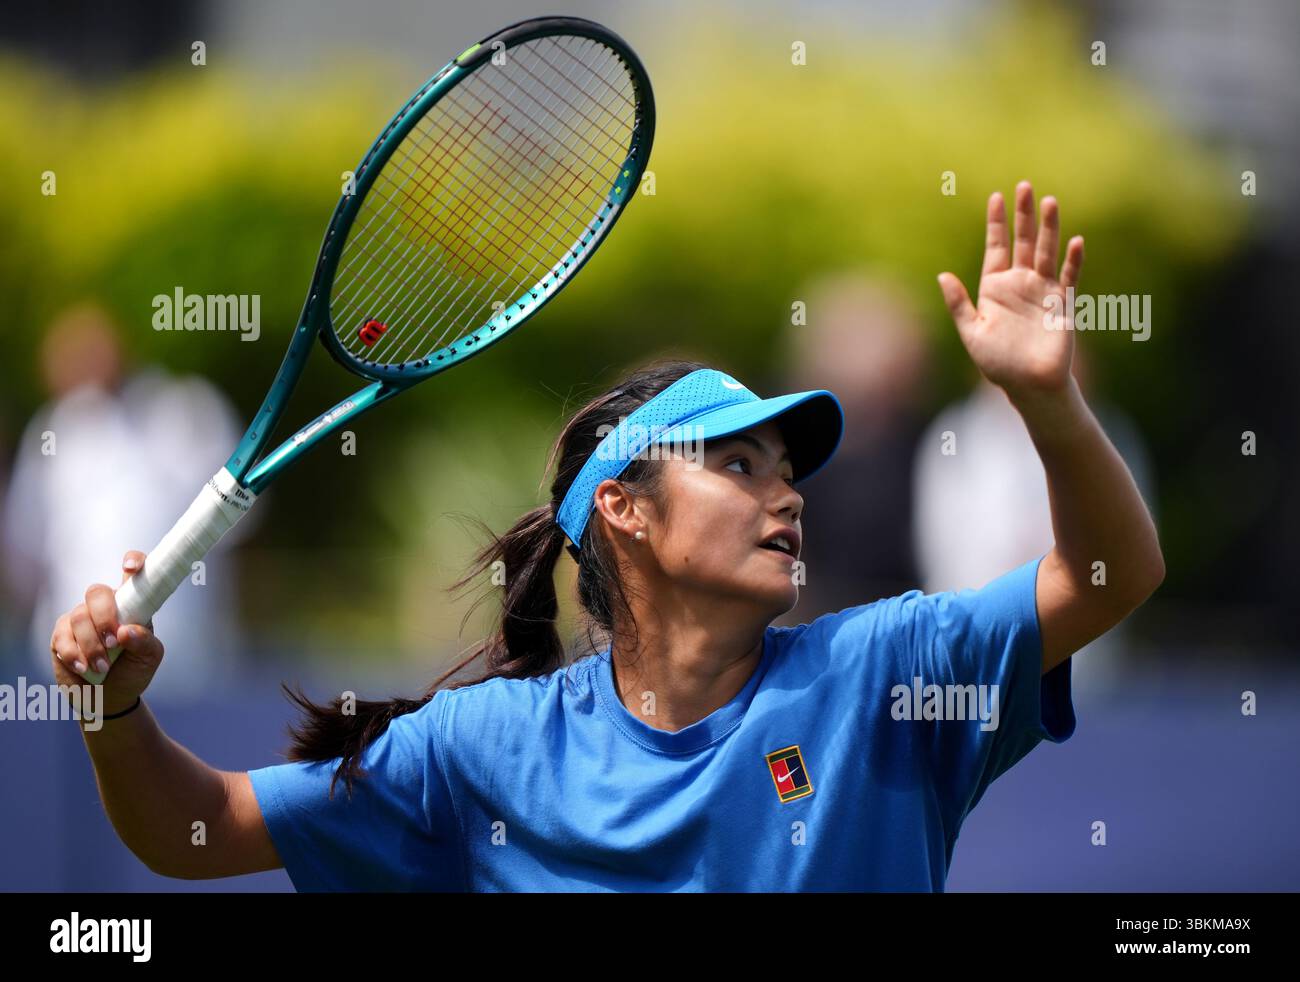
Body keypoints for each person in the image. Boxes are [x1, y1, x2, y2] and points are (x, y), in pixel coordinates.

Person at [49, 183, 1164, 890]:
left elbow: (1113, 577)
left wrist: (1050, 406)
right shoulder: (480, 749)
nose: (786, 496)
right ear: (621, 511)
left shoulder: (887, 672)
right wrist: (114, 709)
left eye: (787, 470)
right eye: (736, 465)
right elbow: (198, 830)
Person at [6, 303, 251, 698]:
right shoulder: (52, 430)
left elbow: (241, 526)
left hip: (187, 662)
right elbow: (25, 551)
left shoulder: (187, 408)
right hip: (74, 673)